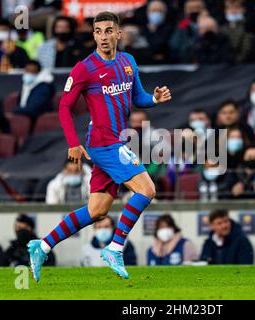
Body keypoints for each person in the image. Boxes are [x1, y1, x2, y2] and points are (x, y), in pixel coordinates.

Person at [28, 11, 171, 281]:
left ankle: (42, 245)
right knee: (147, 189)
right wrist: (73, 143)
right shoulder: (85, 68)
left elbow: (137, 97)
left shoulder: (128, 61)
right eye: (98, 31)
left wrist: (154, 98)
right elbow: (64, 107)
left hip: (116, 139)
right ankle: (115, 248)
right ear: (93, 35)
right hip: (104, 142)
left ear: (118, 33)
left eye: (108, 30)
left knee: (97, 210)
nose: (103, 36)